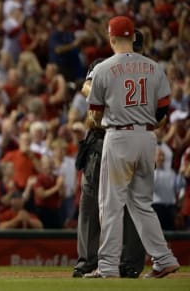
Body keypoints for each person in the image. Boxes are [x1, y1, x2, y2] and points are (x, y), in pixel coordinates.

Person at [85, 16, 180, 278]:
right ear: (134, 37)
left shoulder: (104, 68)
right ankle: (163, 258)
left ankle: (107, 267)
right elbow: (163, 111)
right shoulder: (155, 67)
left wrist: (106, 121)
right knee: (141, 204)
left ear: (111, 37)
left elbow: (94, 114)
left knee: (110, 204)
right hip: (147, 138)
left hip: (119, 137)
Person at [73, 58, 146, 278]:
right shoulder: (104, 66)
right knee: (91, 203)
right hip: (101, 143)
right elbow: (86, 89)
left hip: (126, 142)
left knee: (129, 205)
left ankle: (127, 263)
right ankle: (90, 261)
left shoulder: (146, 73)